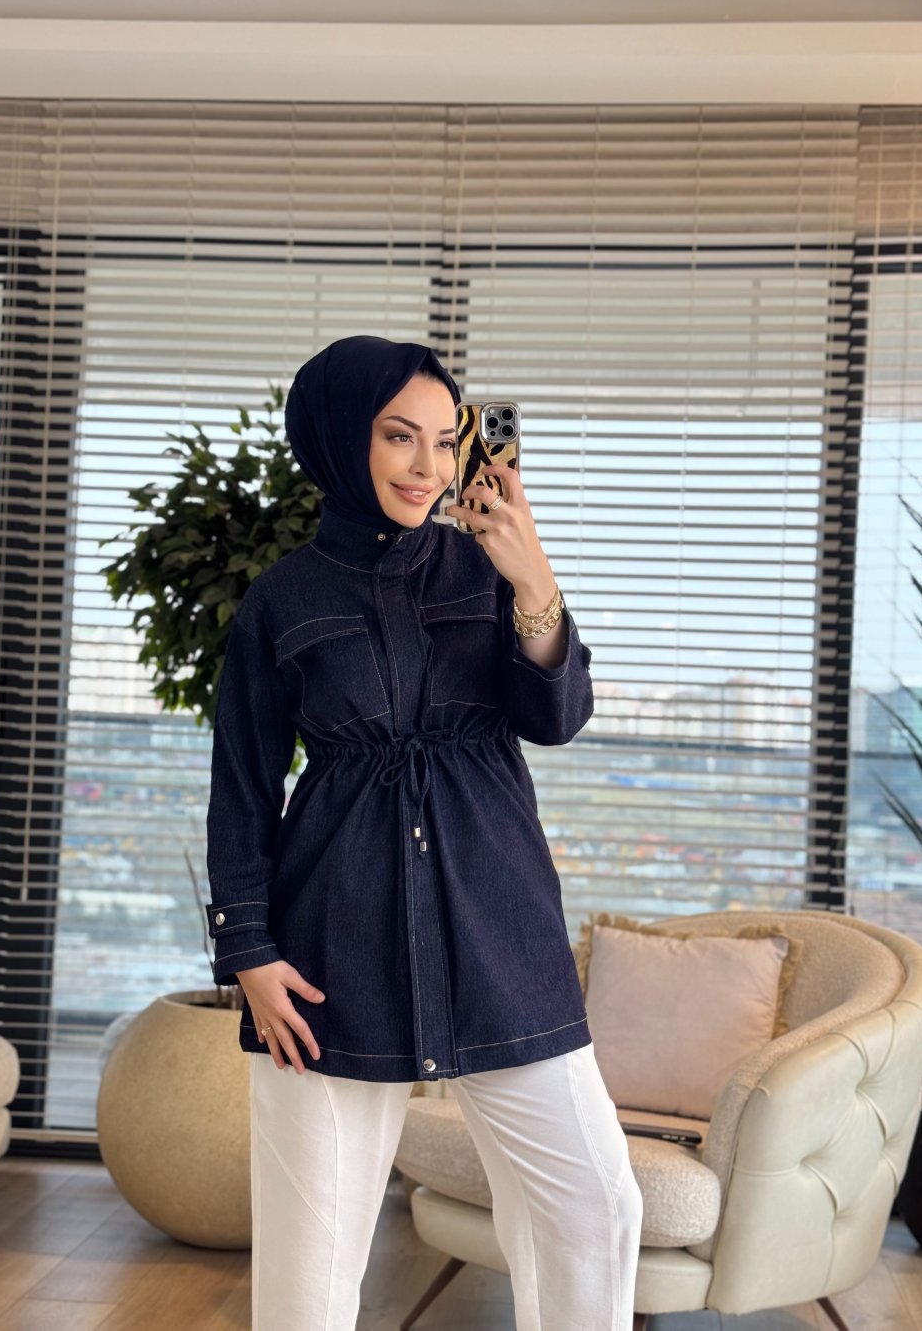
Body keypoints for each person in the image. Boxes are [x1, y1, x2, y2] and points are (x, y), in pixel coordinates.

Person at [204, 335, 643, 1331]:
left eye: (446, 442)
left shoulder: (487, 569)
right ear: (339, 437)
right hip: (331, 955)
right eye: (399, 436)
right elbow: (242, 788)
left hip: (501, 936)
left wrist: (533, 580)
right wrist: (249, 952)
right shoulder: (280, 602)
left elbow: (556, 718)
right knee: (310, 1265)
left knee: (595, 1208)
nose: (428, 466)